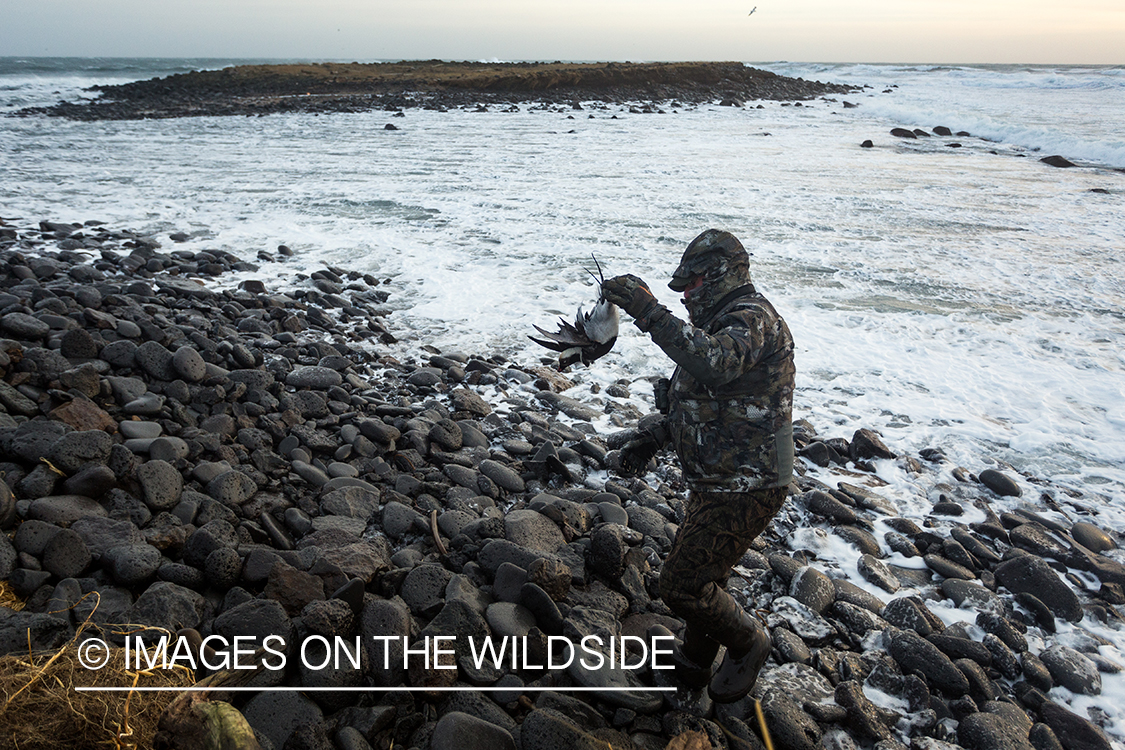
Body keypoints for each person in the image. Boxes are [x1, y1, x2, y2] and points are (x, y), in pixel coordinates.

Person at [601, 228, 795, 703]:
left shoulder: (754, 320)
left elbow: (713, 365)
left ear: (719, 277)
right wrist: (648, 440)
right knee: (707, 574)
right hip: (717, 479)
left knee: (681, 584)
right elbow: (694, 401)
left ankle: (750, 641)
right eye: (679, 291)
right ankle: (691, 667)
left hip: (750, 483)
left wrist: (648, 311)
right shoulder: (717, 326)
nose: (685, 298)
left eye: (690, 287)